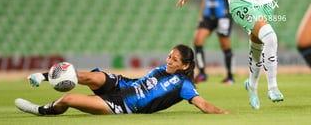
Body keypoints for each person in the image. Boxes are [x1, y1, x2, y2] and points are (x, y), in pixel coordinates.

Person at [15, 44, 230, 115]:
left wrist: (224, 113)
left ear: (185, 65)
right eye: (169, 56)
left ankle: (41, 110)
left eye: (174, 60)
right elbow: (141, 83)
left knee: (69, 100)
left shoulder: (184, 85)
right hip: (123, 84)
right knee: (88, 76)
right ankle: (42, 76)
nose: (169, 61)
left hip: (122, 105)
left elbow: (203, 105)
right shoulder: (161, 69)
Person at [193, 0, 235, 84]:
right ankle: (202, 73)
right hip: (207, 15)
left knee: (225, 45)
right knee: (197, 40)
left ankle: (230, 76)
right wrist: (201, 15)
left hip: (222, 14)